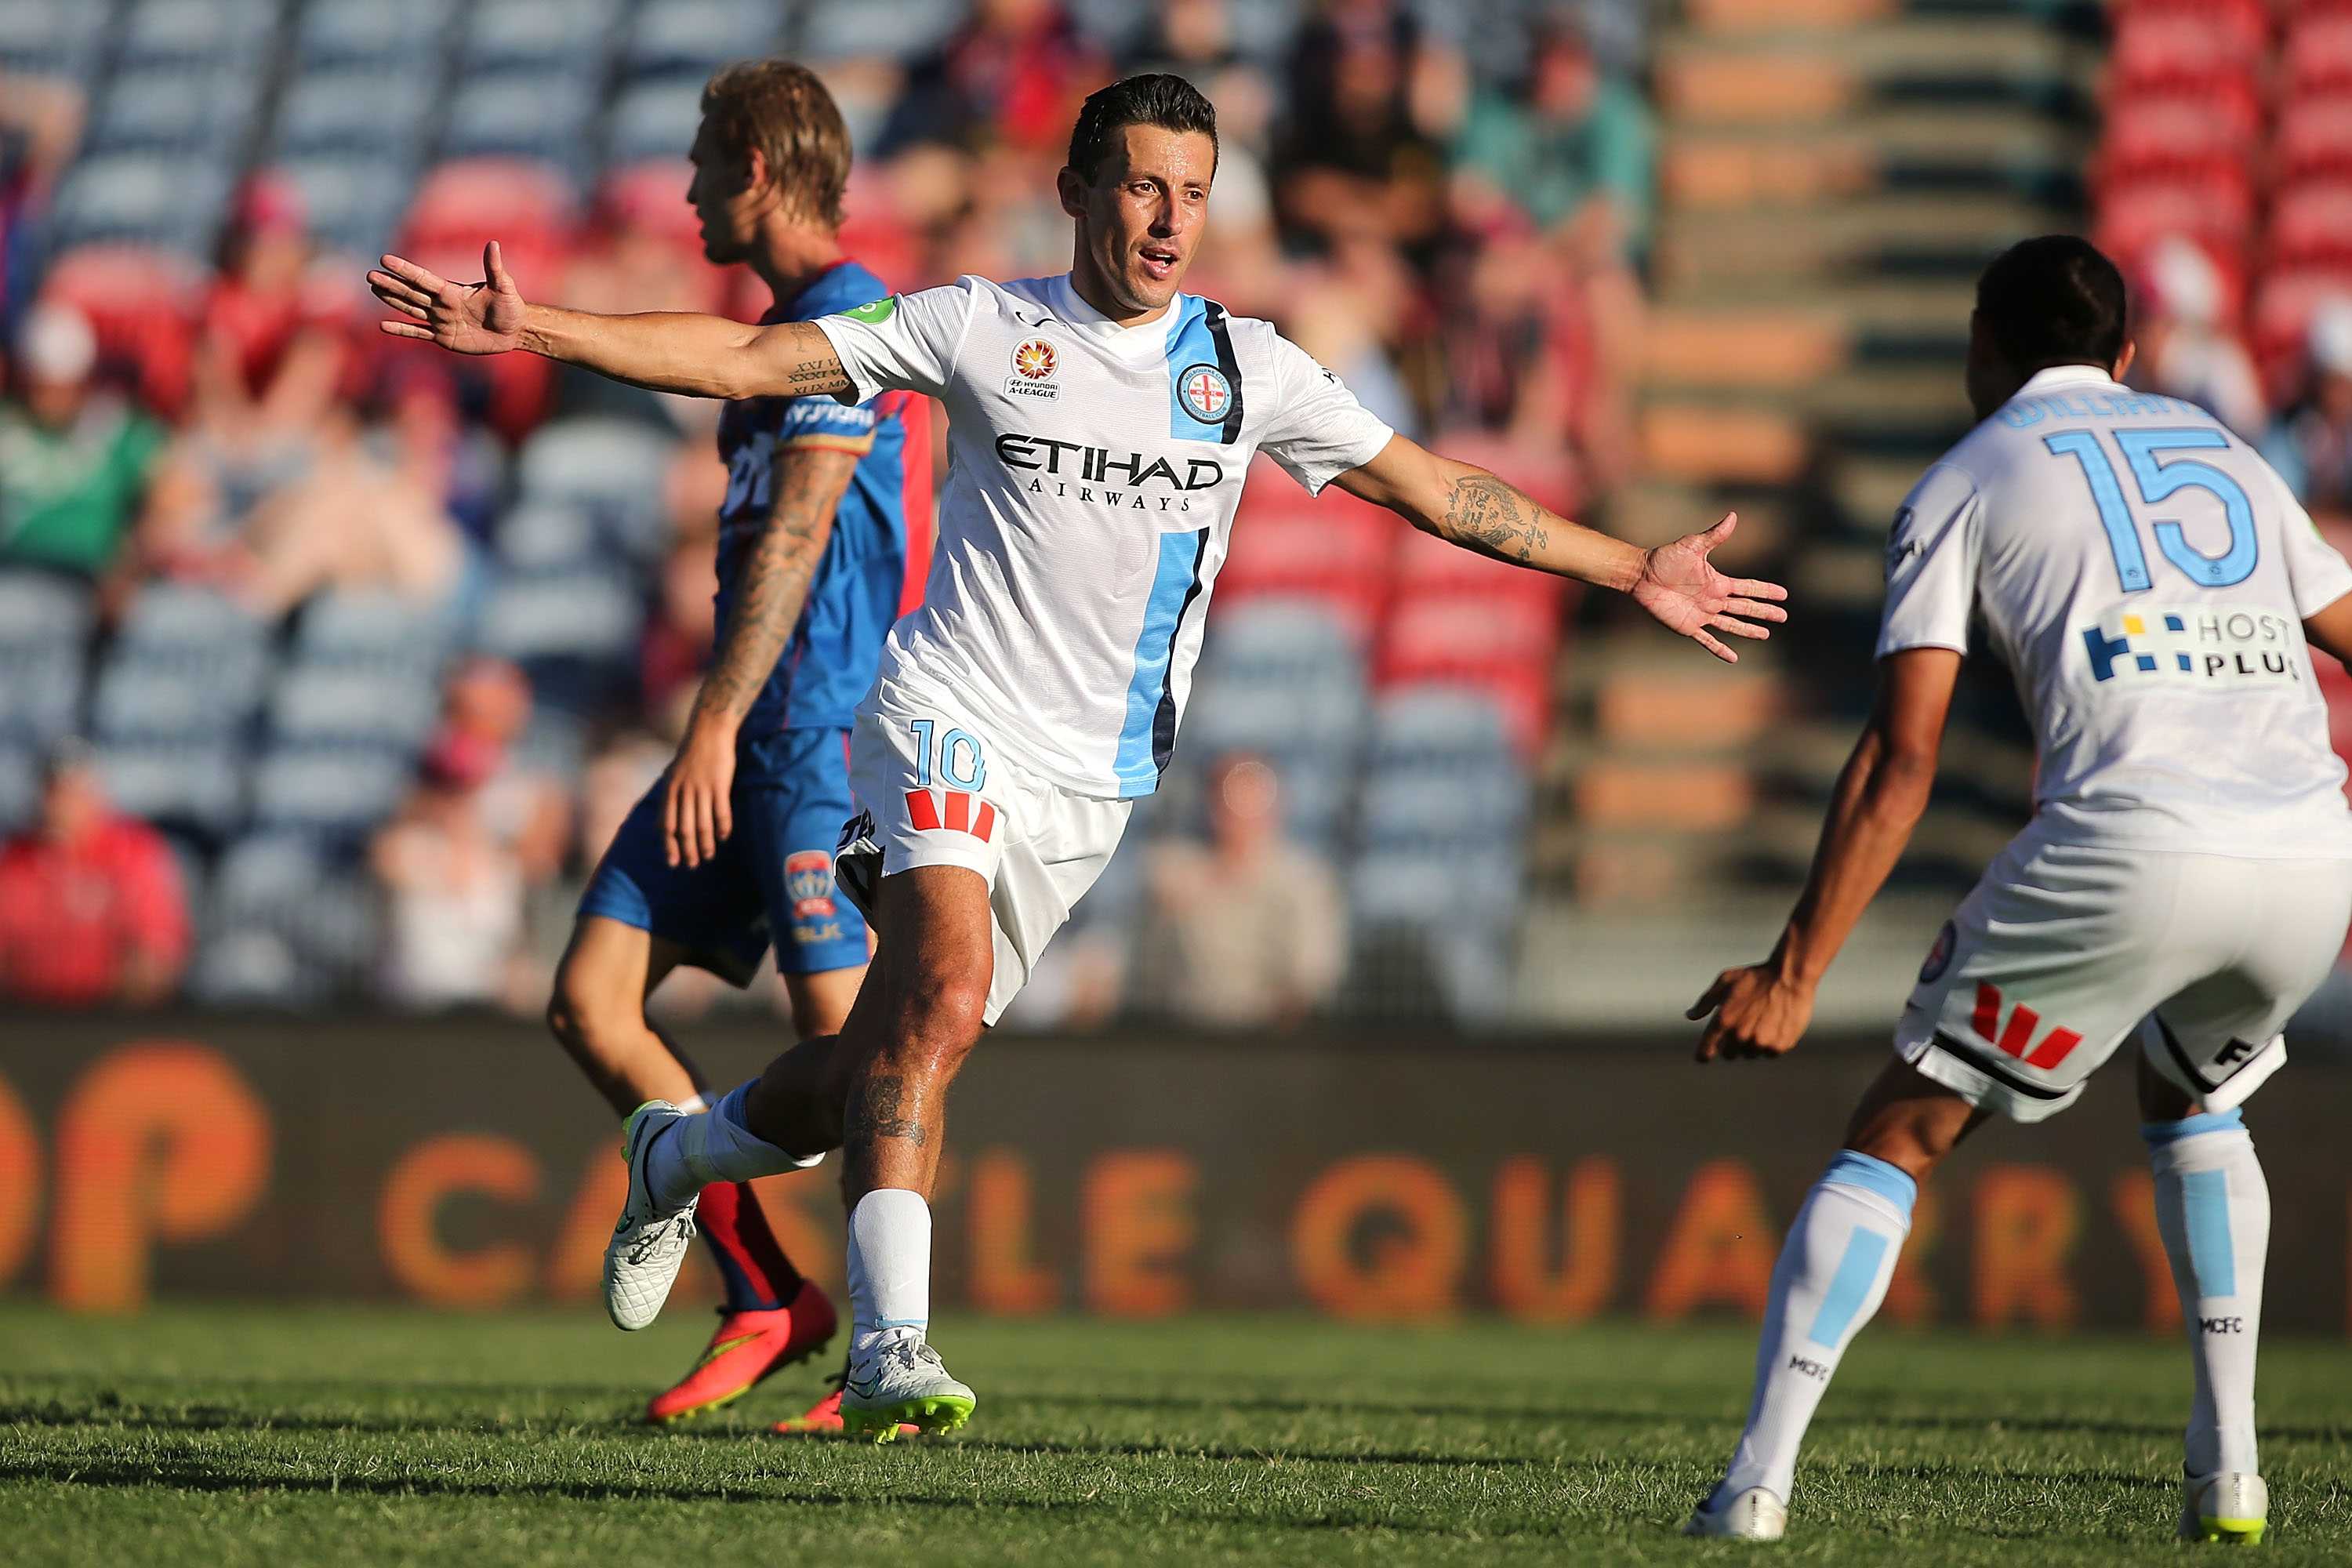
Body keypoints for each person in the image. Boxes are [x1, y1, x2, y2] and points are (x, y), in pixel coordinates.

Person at [368, 71, 1784, 1442]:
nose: (1172, 220)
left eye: (1196, 194)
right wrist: (535, 328)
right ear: (1077, 193)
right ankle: (889, 1350)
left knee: (882, 1052)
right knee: (943, 989)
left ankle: (676, 1153)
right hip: (943, 711)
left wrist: (1630, 570)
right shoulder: (981, 327)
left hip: (1087, 783)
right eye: (1144, 188)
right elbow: (750, 357)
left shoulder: (1250, 368)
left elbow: (1440, 492)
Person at [1682, 236, 2352, 1544]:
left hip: (2130, 845)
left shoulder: (1963, 478)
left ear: (1983, 350)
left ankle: (1755, 1483)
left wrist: (1796, 971)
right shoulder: (2230, 453)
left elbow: (1902, 752)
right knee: (2197, 1090)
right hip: (2308, 857)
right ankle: (2232, 1471)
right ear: (2131, 354)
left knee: (1900, 1133)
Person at [535, 60, 927, 1430]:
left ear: (756, 165)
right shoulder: (762, 346)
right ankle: (766, 1295)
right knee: (592, 999)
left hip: (814, 741)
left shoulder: (857, 322)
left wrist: (708, 726)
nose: (691, 190)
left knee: (855, 1058)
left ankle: (887, 1347)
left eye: (704, 161)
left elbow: (807, 530)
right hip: (745, 734)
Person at [1135, 753, 1345, 1028]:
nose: (1238, 812)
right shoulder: (1174, 877)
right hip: (1185, 1039)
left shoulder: (1306, 884)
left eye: (1252, 796)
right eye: (1226, 797)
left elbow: (1309, 982)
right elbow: (1147, 976)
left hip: (1268, 1043)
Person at [0, 741, 189, 1008]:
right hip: (28, 1019)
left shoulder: (133, 855)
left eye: (73, 793)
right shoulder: (15, 862)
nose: (60, 805)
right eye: (53, 793)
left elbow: (156, 954)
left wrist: (103, 1022)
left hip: (110, 1019)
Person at [0, 302, 165, 578]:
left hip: (91, 578)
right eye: (43, 387)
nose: (53, 400)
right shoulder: (7, 427)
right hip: (15, 570)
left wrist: (131, 564)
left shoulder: (118, 427)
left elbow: (170, 494)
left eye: (64, 388)